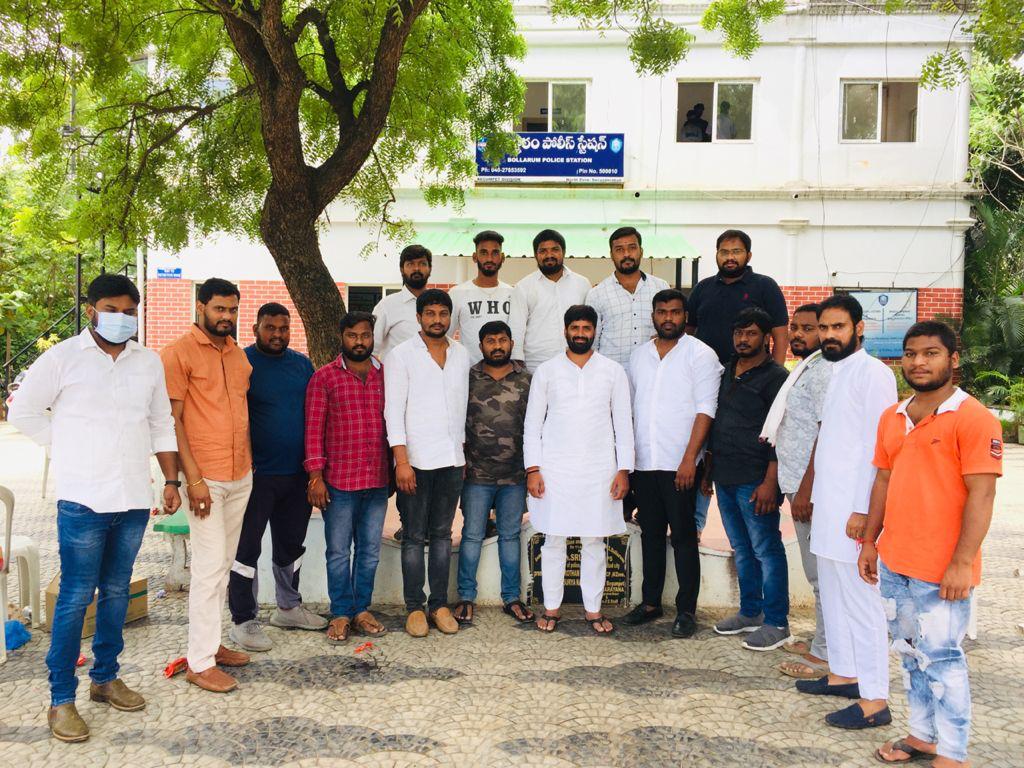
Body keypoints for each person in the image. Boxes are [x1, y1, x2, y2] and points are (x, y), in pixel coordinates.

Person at [9, 274, 181, 743]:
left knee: (117, 591)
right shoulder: (64, 357)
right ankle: (61, 698)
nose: (121, 318)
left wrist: (171, 480)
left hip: (132, 497)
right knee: (76, 596)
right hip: (83, 499)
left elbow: (161, 422)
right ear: (91, 311)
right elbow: (22, 411)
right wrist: (67, 446)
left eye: (130, 312)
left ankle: (105, 678)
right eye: (112, 310)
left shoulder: (147, 362)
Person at [860, 321, 1002, 767]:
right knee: (909, 654)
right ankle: (923, 737)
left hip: (942, 568)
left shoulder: (974, 418)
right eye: (911, 353)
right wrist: (870, 542)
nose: (919, 362)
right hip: (895, 561)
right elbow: (883, 480)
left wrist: (962, 562)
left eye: (931, 353)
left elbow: (982, 494)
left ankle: (953, 754)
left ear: (953, 360)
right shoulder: (893, 416)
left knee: (942, 659)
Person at [795, 294, 897, 730]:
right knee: (835, 597)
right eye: (824, 328)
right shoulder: (835, 371)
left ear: (859, 328)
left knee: (861, 603)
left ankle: (875, 700)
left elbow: (878, 449)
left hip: (853, 513)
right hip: (829, 507)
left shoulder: (874, 374)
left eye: (838, 327)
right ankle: (844, 675)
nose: (829, 335)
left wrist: (863, 511)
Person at [161, 277, 254, 693]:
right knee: (208, 568)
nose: (227, 316)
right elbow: (173, 421)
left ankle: (212, 644)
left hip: (241, 475)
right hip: (205, 479)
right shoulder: (177, 353)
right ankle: (199, 663)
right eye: (219, 309)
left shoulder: (238, 356)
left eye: (232, 309)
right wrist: (191, 479)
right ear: (201, 307)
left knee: (223, 566)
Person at [525, 305, 634, 635]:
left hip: (599, 471)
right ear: (565, 331)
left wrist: (624, 469)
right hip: (555, 470)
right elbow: (532, 424)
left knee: (594, 542)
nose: (581, 333)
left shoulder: (613, 371)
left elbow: (623, 424)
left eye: (587, 328)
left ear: (594, 331)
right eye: (575, 327)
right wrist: (533, 469)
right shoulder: (547, 371)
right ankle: (551, 608)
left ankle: (593, 610)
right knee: (553, 541)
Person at [226, 303, 326, 653]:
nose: (278, 334)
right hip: (255, 477)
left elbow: (314, 415)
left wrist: (314, 471)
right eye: (270, 328)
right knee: (246, 549)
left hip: (296, 475)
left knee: (291, 546)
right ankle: (243, 620)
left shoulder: (302, 365)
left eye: (284, 328)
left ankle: (288, 608)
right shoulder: (241, 362)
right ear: (255, 328)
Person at [625, 289, 721, 637]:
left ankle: (686, 611)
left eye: (675, 312)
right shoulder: (639, 356)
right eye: (662, 312)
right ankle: (651, 602)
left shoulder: (701, 355)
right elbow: (631, 408)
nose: (668, 318)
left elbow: (706, 410)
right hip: (645, 463)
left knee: (683, 537)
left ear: (685, 316)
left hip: (680, 465)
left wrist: (690, 460)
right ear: (653, 315)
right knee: (650, 535)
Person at [384, 288, 470, 637]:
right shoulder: (401, 355)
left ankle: (438, 605)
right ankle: (414, 608)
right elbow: (393, 412)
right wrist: (401, 462)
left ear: (451, 318)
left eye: (443, 314)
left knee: (442, 536)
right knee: (414, 537)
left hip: (451, 461)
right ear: (418, 317)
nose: (437, 320)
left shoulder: (462, 354)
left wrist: (463, 456)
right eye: (430, 313)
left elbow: (462, 408)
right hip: (415, 462)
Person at [706, 308, 791, 651]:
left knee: (766, 549)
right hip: (725, 475)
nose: (743, 339)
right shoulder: (727, 369)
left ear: (767, 337)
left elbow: (781, 432)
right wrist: (708, 471)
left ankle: (777, 622)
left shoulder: (777, 378)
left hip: (756, 479)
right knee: (741, 548)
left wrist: (771, 481)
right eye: (739, 333)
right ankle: (751, 611)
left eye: (751, 333)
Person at [305, 311, 391, 643]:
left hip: (377, 479)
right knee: (339, 552)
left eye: (365, 335)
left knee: (370, 551)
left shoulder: (386, 376)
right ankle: (341, 612)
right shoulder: (324, 378)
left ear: (373, 337)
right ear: (342, 337)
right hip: (339, 482)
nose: (359, 341)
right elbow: (313, 431)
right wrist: (315, 477)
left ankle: (361, 610)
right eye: (352, 335)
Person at [760, 304, 832, 678]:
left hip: (811, 489)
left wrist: (807, 489)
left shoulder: (824, 371)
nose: (799, 334)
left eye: (809, 328)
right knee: (816, 571)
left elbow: (826, 431)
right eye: (795, 327)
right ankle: (823, 638)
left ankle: (826, 653)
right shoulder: (806, 368)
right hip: (797, 483)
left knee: (821, 574)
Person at [453, 320, 534, 626]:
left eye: (502, 340)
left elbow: (537, 424)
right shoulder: (468, 378)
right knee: (472, 535)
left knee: (510, 536)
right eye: (490, 341)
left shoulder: (527, 379)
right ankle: (465, 597)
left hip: (514, 476)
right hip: (476, 475)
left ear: (511, 343)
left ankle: (511, 598)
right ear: (481, 345)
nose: (497, 346)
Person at [686, 229, 789, 366]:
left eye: (736, 251)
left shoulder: (765, 286)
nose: (730, 257)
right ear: (717, 254)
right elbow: (687, 332)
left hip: (752, 372)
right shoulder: (702, 288)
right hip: (704, 370)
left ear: (749, 256)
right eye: (724, 252)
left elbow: (781, 336)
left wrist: (775, 373)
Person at [508, 229, 591, 372]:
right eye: (543, 251)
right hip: (535, 365)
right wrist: (517, 366)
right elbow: (516, 328)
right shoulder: (523, 287)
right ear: (535, 255)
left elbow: (591, 325)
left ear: (563, 252)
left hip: (576, 363)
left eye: (555, 250)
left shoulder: (582, 284)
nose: (549, 255)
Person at [585, 227, 670, 366]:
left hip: (652, 371)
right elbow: (591, 342)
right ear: (611, 255)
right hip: (611, 372)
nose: (627, 254)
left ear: (641, 251)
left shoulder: (660, 287)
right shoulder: (597, 294)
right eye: (619, 249)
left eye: (632, 248)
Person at [449, 230, 513, 365]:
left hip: (506, 373)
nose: (489, 259)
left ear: (502, 257)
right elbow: (445, 337)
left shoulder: (513, 294)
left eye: (495, 253)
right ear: (474, 257)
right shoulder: (457, 293)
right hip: (469, 372)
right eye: (483, 253)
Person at [372, 244, 432, 359]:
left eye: (422, 263)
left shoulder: (438, 305)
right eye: (410, 264)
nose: (416, 268)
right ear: (402, 269)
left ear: (430, 269)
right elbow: (372, 350)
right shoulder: (386, 306)